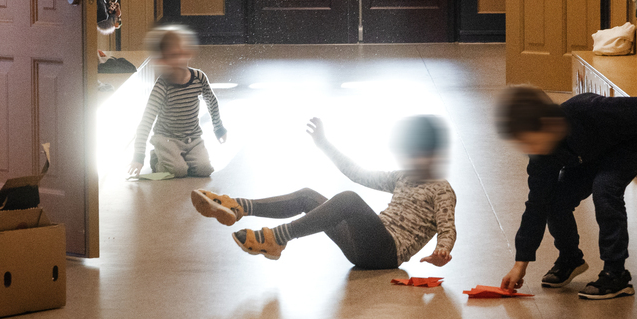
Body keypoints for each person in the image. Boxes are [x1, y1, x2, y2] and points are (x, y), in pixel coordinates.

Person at [496, 84, 637, 300]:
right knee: (555, 202)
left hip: (628, 144)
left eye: (530, 139)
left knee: (605, 190)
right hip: (588, 154)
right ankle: (570, 259)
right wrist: (520, 263)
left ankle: (616, 275)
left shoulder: (589, 111)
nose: (529, 148)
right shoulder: (541, 153)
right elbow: (536, 205)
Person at [192, 114, 456, 271]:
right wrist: (324, 144)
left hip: (386, 254)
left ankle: (276, 238)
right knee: (309, 195)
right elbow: (357, 173)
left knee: (349, 199)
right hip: (360, 247)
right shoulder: (403, 177)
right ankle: (237, 206)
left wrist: (442, 250)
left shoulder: (441, 189)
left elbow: (447, 228)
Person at [129, 24, 227, 179]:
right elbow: (146, 121)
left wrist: (219, 128)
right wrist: (138, 156)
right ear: (163, 60)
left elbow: (211, 102)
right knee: (178, 171)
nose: (179, 61)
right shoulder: (162, 86)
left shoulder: (199, 78)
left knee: (204, 169)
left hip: (192, 138)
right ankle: (157, 159)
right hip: (166, 139)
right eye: (172, 56)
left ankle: (181, 157)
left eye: (182, 54)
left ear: (188, 53)